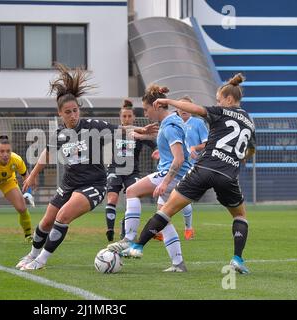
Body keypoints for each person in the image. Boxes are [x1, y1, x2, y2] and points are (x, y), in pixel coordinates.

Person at [16, 63, 157, 270]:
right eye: (68, 112)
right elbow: (47, 153)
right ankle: (32, 255)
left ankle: (41, 261)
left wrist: (141, 129)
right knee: (46, 222)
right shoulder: (60, 135)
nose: (73, 115)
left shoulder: (93, 126)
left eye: (75, 110)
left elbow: (122, 130)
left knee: (63, 216)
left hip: (93, 185)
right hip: (69, 184)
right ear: (60, 114)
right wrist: (33, 175)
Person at [125, 73, 256, 274]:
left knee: (167, 209)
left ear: (229, 100)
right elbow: (249, 150)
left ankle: (137, 246)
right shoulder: (249, 121)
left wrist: (169, 101)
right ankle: (237, 259)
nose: (217, 103)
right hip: (228, 175)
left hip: (204, 169)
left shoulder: (221, 112)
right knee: (240, 216)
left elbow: (195, 109)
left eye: (219, 100)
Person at [107, 84, 192, 272]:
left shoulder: (169, 126)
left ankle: (128, 239)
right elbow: (176, 154)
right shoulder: (174, 122)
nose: (145, 113)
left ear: (157, 106)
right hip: (180, 175)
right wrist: (162, 154)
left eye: (146, 109)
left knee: (131, 191)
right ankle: (178, 264)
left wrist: (165, 182)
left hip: (174, 176)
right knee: (164, 218)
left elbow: (178, 159)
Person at [104, 99, 156, 242]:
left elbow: (154, 145)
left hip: (132, 172)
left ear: (134, 117)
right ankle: (110, 230)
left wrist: (157, 151)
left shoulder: (138, 133)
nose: (127, 119)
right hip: (115, 169)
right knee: (112, 198)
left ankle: (125, 225)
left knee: (132, 199)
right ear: (120, 117)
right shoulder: (114, 132)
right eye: (124, 116)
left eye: (129, 116)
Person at [176, 96, 209, 240]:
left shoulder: (198, 123)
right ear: (177, 109)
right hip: (173, 164)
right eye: (181, 107)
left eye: (187, 106)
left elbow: (207, 143)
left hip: (191, 166)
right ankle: (160, 230)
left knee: (183, 197)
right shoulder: (173, 123)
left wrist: (195, 147)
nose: (184, 109)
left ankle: (188, 228)